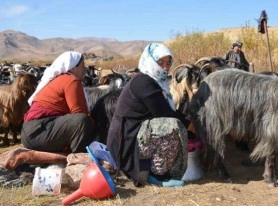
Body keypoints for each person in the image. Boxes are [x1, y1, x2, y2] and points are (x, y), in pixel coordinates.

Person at [106, 43, 190, 187]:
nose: (165, 67)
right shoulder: (144, 82)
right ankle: (155, 174)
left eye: (168, 63)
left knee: (174, 124)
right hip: (125, 142)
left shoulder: (156, 81)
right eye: (160, 62)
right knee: (172, 126)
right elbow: (165, 114)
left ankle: (150, 167)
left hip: (133, 134)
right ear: (150, 61)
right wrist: (191, 126)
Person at [21, 51, 95, 153]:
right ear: (73, 67)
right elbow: (79, 113)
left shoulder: (58, 80)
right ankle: (78, 158)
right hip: (39, 131)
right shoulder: (71, 81)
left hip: (31, 132)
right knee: (82, 121)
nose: (85, 69)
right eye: (82, 65)